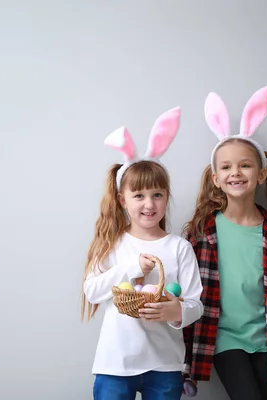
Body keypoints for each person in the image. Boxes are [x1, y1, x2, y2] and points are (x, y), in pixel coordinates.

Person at [181, 87, 267, 400]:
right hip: (223, 338)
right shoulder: (202, 233)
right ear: (215, 178)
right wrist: (184, 361)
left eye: (245, 165)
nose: (235, 173)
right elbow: (185, 293)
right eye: (225, 167)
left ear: (262, 174)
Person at [81, 106, 204, 400]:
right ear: (123, 200)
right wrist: (131, 266)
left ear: (166, 198)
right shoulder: (113, 243)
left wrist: (176, 312)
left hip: (165, 364)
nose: (149, 203)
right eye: (139, 195)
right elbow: (92, 291)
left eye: (157, 195)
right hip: (116, 363)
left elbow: (196, 303)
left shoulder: (179, 247)